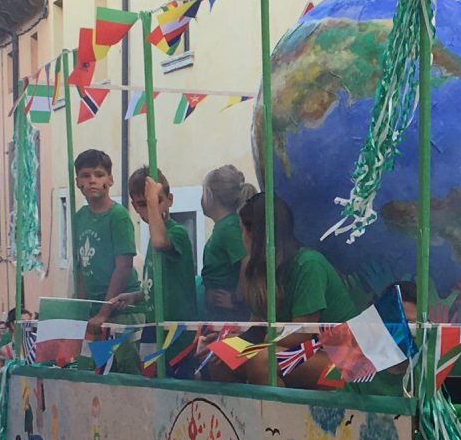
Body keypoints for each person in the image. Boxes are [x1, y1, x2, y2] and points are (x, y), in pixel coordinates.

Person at [216, 194, 355, 388]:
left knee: (263, 361)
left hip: (346, 360)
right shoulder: (262, 271)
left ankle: (276, 418)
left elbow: (300, 334)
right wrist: (224, 342)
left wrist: (246, 341)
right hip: (304, 354)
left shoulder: (309, 265)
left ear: (253, 234)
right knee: (220, 360)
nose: (241, 238)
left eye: (242, 230)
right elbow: (256, 322)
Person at [72, 149, 142, 374]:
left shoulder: (118, 216)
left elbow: (124, 265)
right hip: (94, 315)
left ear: (110, 180)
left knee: (124, 373)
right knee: (92, 372)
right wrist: (82, 308)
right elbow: (81, 266)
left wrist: (105, 310)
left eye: (99, 174)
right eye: (85, 175)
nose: (92, 180)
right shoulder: (79, 217)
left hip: (121, 310)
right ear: (78, 182)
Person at [126, 166, 198, 377]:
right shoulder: (151, 239)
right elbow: (158, 283)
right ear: (135, 207)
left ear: (169, 200)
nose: (150, 209)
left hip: (176, 335)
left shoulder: (177, 233)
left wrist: (152, 204)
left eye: (156, 201)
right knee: (150, 390)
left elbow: (160, 241)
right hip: (153, 328)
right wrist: (136, 295)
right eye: (143, 204)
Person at [200, 165, 257, 321]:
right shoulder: (224, 226)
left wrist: (236, 297)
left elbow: (247, 259)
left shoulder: (229, 227)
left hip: (230, 316)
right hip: (221, 314)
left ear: (208, 194)